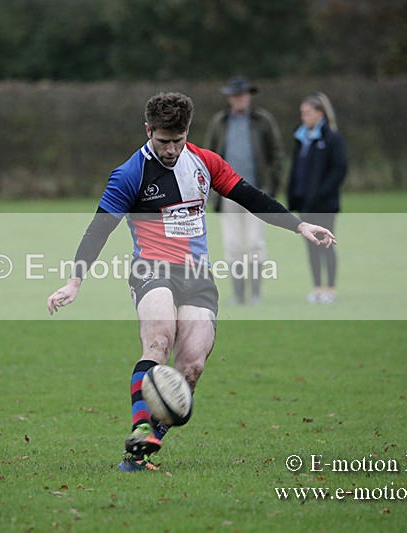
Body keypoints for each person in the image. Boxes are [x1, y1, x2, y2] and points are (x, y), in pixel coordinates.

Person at [46, 92, 335, 472]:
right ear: (148, 130)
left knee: (193, 365)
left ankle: (141, 453)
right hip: (152, 269)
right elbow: (99, 228)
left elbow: (250, 196)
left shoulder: (204, 162)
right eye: (163, 141)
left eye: (177, 141)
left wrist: (299, 225)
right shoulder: (130, 173)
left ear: (188, 133)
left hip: (197, 275)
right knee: (160, 338)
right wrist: (74, 282)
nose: (170, 149)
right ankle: (141, 427)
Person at [205, 76, 283, 305]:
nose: (238, 99)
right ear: (229, 98)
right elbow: (208, 158)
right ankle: (239, 295)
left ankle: (256, 294)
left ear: (249, 96)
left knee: (255, 244)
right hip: (227, 195)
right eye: (234, 95)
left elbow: (276, 155)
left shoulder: (263, 121)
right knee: (233, 246)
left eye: (242, 95)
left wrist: (272, 189)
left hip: (255, 192)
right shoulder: (220, 122)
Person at [287, 92, 348, 304]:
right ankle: (317, 288)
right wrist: (294, 195)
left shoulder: (332, 138)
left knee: (326, 243)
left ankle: (330, 289)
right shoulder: (302, 138)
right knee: (311, 245)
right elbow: (297, 170)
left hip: (325, 204)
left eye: (308, 113)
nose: (304, 117)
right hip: (306, 204)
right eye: (302, 113)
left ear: (320, 113)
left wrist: (321, 194)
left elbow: (339, 170)